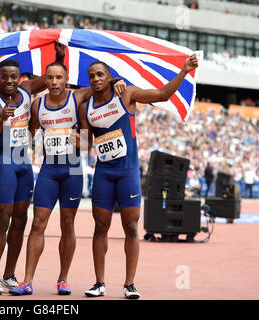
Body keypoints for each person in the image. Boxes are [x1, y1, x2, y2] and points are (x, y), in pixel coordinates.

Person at [78, 54, 199, 299]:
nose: (95, 78)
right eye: (91, 76)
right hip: (104, 173)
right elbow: (83, 145)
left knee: (131, 227)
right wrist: (74, 138)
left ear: (110, 77)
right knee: (100, 227)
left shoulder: (126, 94)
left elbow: (163, 95)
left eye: (100, 74)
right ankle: (99, 283)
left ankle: (129, 284)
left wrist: (184, 71)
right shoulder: (86, 106)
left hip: (127, 172)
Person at [8, 61, 125, 296]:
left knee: (67, 224)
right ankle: (27, 280)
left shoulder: (78, 97)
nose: (54, 82)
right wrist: (8, 130)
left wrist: (117, 79)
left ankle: (63, 279)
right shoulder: (37, 105)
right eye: (50, 78)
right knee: (38, 223)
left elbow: (101, 84)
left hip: (71, 170)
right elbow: (29, 132)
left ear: (66, 79)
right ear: (45, 80)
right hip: (49, 170)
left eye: (59, 78)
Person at [0, 43, 65, 295]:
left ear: (20, 78)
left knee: (21, 220)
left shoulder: (27, 90)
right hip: (2, 162)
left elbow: (51, 78)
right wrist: (2, 121)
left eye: (13, 77)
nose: (9, 81)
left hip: (24, 163)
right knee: (3, 219)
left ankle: (9, 274)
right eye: (4, 77)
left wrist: (59, 56)